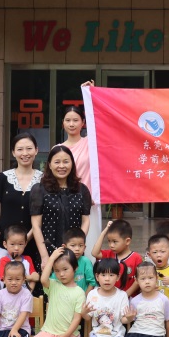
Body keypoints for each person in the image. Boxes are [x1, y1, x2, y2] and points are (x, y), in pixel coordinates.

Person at [30, 246, 85, 337]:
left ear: (75, 268)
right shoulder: (53, 285)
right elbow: (43, 279)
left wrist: (66, 335)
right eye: (57, 270)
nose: (61, 274)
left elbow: (77, 318)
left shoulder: (79, 292)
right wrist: (51, 258)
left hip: (70, 334)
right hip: (48, 332)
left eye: (65, 269)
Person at [0, 132, 43, 265]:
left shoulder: (44, 180)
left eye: (29, 148)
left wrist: (24, 241)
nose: (25, 153)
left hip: (35, 243)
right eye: (20, 149)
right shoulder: (3, 178)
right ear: (13, 152)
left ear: (36, 150)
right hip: (5, 244)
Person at [31, 144, 92, 265]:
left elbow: (85, 220)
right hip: (48, 249)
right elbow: (36, 225)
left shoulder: (82, 189)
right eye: (57, 162)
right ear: (49, 165)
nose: (62, 166)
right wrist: (44, 256)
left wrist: (77, 243)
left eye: (66, 162)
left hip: (75, 252)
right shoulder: (39, 189)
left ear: (72, 164)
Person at [60, 102, 103, 253]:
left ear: (83, 122)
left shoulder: (91, 143)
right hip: (64, 202)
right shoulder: (58, 149)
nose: (71, 124)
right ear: (63, 123)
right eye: (68, 120)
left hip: (88, 203)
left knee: (89, 246)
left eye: (76, 120)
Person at [92, 218, 142, 296]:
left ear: (127, 241)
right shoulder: (109, 254)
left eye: (115, 241)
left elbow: (138, 280)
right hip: (110, 297)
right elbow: (95, 253)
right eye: (109, 241)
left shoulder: (136, 258)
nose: (111, 245)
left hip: (129, 298)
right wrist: (104, 232)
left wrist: (124, 296)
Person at [60, 227, 96, 293]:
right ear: (64, 247)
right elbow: (54, 281)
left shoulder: (86, 262)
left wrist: (84, 297)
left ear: (84, 247)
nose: (77, 249)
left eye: (80, 245)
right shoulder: (60, 262)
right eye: (73, 245)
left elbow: (92, 282)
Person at [146, 233, 169, 301]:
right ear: (149, 255)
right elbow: (141, 291)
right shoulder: (147, 272)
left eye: (162, 252)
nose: (158, 255)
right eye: (155, 252)